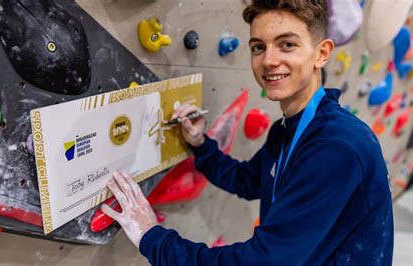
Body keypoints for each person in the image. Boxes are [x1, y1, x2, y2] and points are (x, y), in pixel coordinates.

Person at [101, 0, 394, 265]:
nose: (268, 60)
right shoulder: (288, 130)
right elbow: (248, 180)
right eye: (258, 46)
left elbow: (263, 263)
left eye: (287, 44)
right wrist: (199, 143)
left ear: (322, 53)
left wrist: (152, 238)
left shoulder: (336, 146)